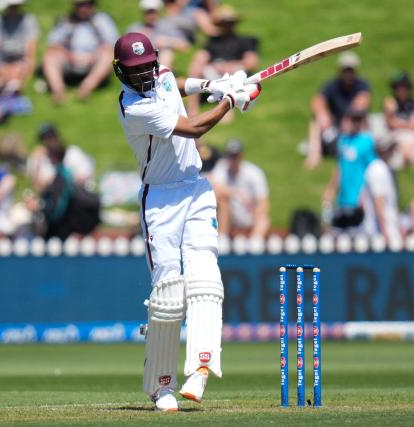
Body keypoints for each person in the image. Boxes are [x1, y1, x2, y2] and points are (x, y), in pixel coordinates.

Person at [113, 32, 261, 411]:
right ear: (121, 73)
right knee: (168, 295)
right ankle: (161, 385)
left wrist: (212, 84)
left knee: (206, 278)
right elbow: (194, 128)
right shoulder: (134, 108)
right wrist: (230, 100)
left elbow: (174, 79)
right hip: (160, 199)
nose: (145, 76)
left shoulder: (157, 73)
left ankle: (201, 367)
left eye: (147, 66)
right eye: (136, 71)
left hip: (195, 188)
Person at [186, 5, 258, 116]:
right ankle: (192, 109)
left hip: (236, 71)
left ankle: (227, 109)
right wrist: (216, 66)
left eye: (229, 22)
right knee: (198, 67)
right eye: (224, 22)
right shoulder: (213, 42)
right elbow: (202, 57)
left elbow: (251, 62)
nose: (227, 26)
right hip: (214, 72)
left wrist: (231, 66)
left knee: (234, 73)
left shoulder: (244, 41)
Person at [42, 0, 119, 104]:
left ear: (93, 4)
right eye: (79, 5)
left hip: (94, 60)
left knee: (108, 55)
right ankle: (58, 92)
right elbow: (53, 44)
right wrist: (67, 54)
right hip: (69, 60)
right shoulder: (66, 20)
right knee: (49, 56)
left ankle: (85, 89)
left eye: (86, 4)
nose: (83, 8)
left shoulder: (102, 19)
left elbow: (112, 43)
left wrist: (94, 54)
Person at [305, 51, 371, 169]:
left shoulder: (361, 85)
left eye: (350, 70)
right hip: (335, 128)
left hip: (354, 127)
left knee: (359, 119)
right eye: (345, 70)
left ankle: (357, 153)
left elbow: (362, 103)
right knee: (315, 121)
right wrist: (323, 114)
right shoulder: (333, 85)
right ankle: (314, 155)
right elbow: (317, 100)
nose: (348, 74)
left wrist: (348, 119)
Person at [322, 109, 375, 231]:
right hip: (343, 199)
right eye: (352, 120)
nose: (354, 123)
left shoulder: (367, 141)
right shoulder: (343, 140)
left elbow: (372, 169)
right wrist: (331, 188)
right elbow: (339, 167)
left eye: (357, 120)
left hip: (360, 199)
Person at [211, 139, 270, 238]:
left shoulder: (254, 173)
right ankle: (222, 237)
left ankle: (255, 244)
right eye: (231, 156)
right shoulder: (221, 169)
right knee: (221, 199)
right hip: (230, 217)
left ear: (241, 155)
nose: (233, 159)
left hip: (249, 216)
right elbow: (213, 188)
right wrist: (236, 193)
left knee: (263, 219)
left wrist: (257, 213)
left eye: (235, 155)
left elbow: (263, 202)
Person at [0, 0, 39, 94]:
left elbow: (31, 47)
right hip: (2, 59)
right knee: (2, 70)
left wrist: (29, 66)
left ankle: (13, 86)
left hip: (20, 59)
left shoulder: (28, 20)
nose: (13, 9)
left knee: (16, 71)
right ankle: (4, 85)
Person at [26, 122, 95, 191]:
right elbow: (37, 187)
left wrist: (55, 182)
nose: (49, 141)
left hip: (78, 195)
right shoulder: (40, 159)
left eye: (51, 137)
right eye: (45, 139)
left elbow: (83, 178)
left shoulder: (73, 153)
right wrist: (37, 161)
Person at [360, 135, 400, 240]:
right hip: (381, 232)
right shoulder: (378, 170)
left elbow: (361, 200)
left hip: (382, 229)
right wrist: (384, 230)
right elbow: (378, 201)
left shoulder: (380, 168)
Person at [384, 71, 414, 167]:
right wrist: (406, 124)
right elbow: (390, 123)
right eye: (399, 87)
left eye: (404, 87)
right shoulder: (391, 102)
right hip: (394, 134)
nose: (401, 90)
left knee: (409, 141)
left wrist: (398, 123)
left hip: (409, 134)